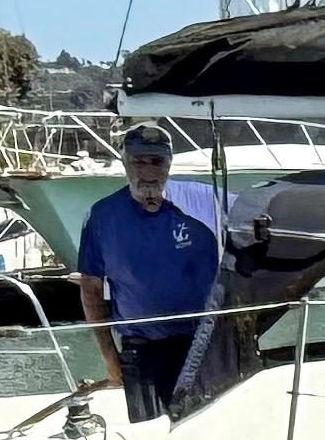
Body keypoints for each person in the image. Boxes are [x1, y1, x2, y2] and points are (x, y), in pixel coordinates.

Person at [76, 124, 221, 423]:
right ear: (125, 162)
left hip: (203, 344)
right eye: (138, 161)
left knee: (206, 429)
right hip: (141, 352)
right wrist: (108, 356)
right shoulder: (102, 216)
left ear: (169, 164)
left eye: (157, 161)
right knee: (151, 436)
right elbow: (91, 288)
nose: (148, 170)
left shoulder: (202, 203)